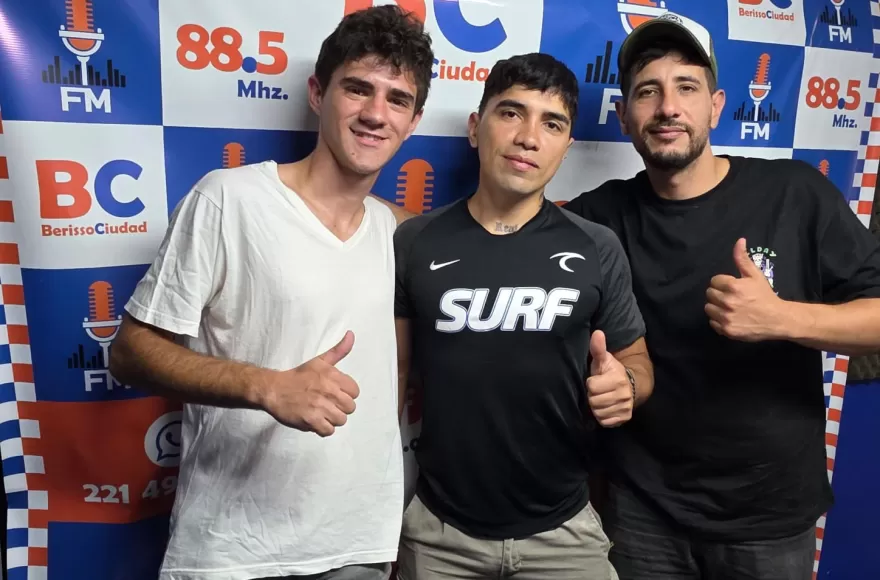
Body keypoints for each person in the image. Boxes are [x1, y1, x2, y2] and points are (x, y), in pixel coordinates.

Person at [108, 6, 433, 580]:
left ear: (414, 120)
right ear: (317, 93)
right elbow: (130, 352)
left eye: (397, 99)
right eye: (357, 89)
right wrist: (266, 385)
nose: (375, 115)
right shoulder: (229, 199)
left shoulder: (403, 234)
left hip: (356, 546)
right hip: (233, 551)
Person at [563, 12, 880, 580]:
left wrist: (782, 318)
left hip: (769, 517)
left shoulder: (794, 193)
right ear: (624, 116)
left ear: (716, 105)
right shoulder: (598, 216)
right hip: (642, 512)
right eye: (647, 92)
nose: (668, 108)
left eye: (687, 87)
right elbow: (500, 235)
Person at [392, 52, 654, 580]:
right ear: (476, 127)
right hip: (439, 533)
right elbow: (393, 381)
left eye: (551, 123)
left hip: (564, 532)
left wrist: (625, 385)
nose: (528, 136)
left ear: (565, 147)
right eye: (511, 112)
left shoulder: (596, 246)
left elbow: (638, 367)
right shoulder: (414, 241)